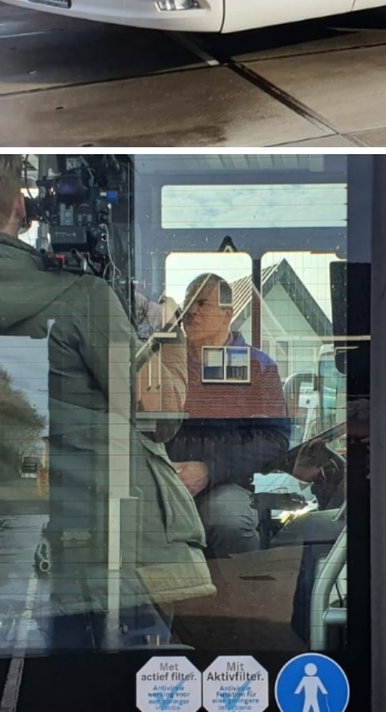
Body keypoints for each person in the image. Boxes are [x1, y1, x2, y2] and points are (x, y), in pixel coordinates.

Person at [0, 155, 214, 647]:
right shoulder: (84, 299)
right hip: (84, 550)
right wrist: (166, 335)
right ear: (20, 207)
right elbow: (156, 415)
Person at [167, 272, 290, 556]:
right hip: (163, 477)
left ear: (227, 315)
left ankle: (242, 599)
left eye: (202, 304)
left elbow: (274, 441)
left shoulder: (258, 367)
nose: (191, 312)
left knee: (228, 520)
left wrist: (209, 470)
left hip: (227, 481)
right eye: (188, 304)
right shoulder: (164, 361)